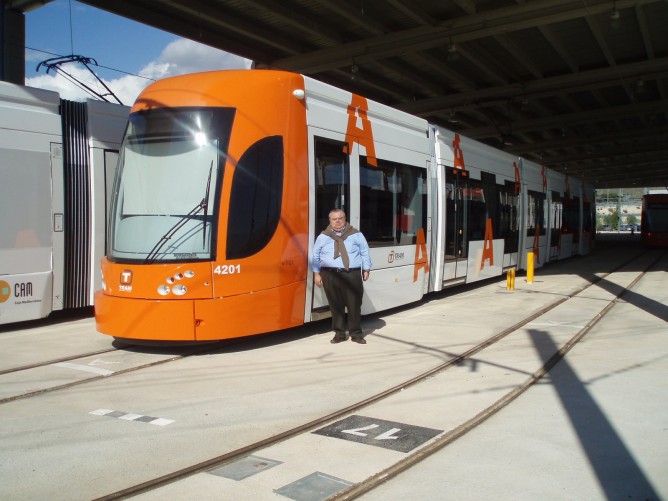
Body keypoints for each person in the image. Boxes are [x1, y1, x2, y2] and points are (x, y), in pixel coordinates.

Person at [312, 209, 372, 344]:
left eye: (340, 218)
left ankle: (356, 334)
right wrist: (316, 273)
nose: (337, 221)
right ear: (330, 221)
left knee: (354, 305)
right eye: (334, 219)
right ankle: (339, 334)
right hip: (330, 274)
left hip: (352, 274)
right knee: (335, 305)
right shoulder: (323, 236)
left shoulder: (356, 234)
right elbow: (315, 255)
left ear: (345, 219)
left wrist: (366, 269)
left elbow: (364, 252)